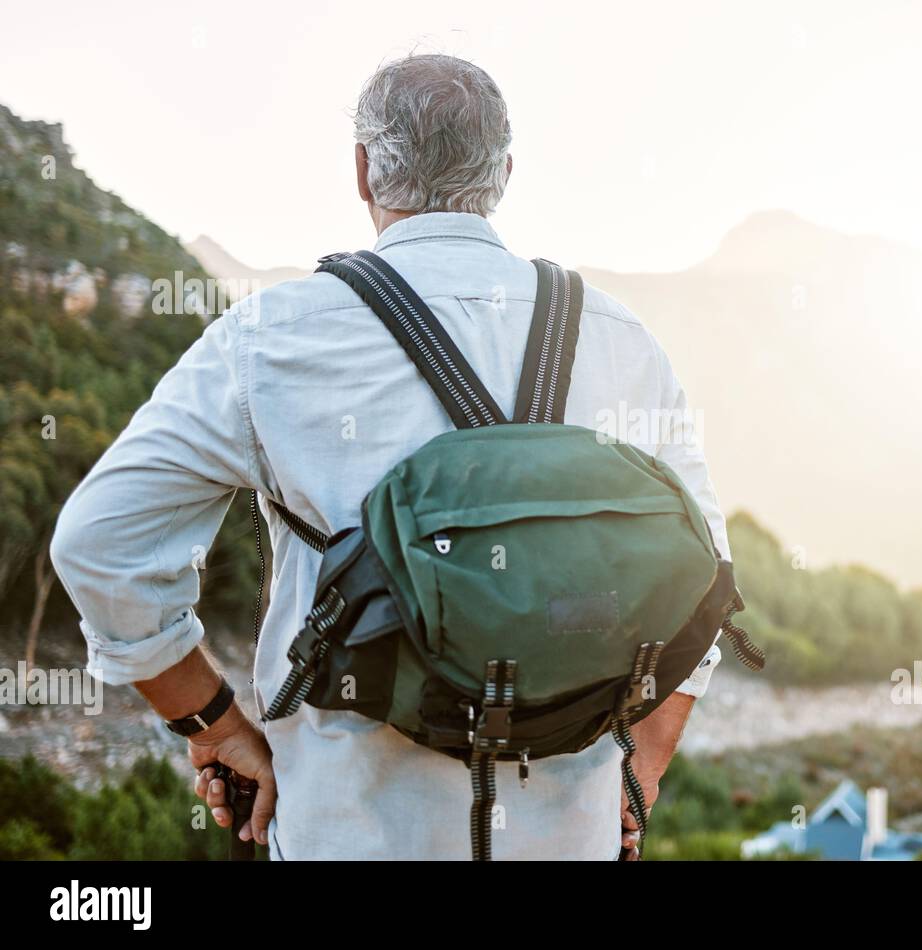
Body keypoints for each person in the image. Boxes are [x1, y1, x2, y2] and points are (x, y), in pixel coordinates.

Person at [50, 53, 729, 859]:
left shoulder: (275, 336)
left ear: (364, 170)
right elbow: (709, 580)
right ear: (504, 172)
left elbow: (99, 544)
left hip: (349, 831)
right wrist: (640, 767)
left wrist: (213, 724)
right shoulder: (619, 340)